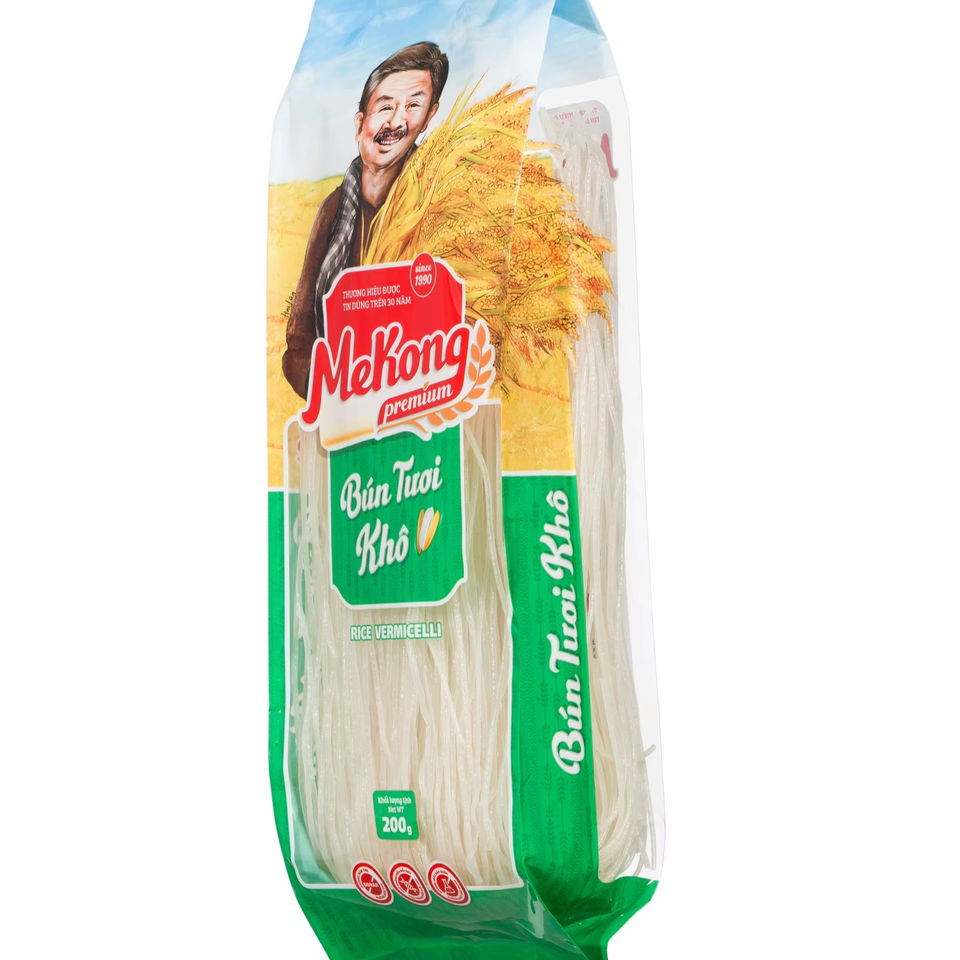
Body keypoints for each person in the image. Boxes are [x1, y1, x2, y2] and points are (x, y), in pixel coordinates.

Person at [282, 41, 450, 399]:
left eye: (413, 106)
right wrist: (337, 393)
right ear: (361, 123)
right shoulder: (333, 209)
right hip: (343, 403)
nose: (396, 121)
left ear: (428, 118)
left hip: (421, 401)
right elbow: (299, 340)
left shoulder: (437, 203)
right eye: (385, 106)